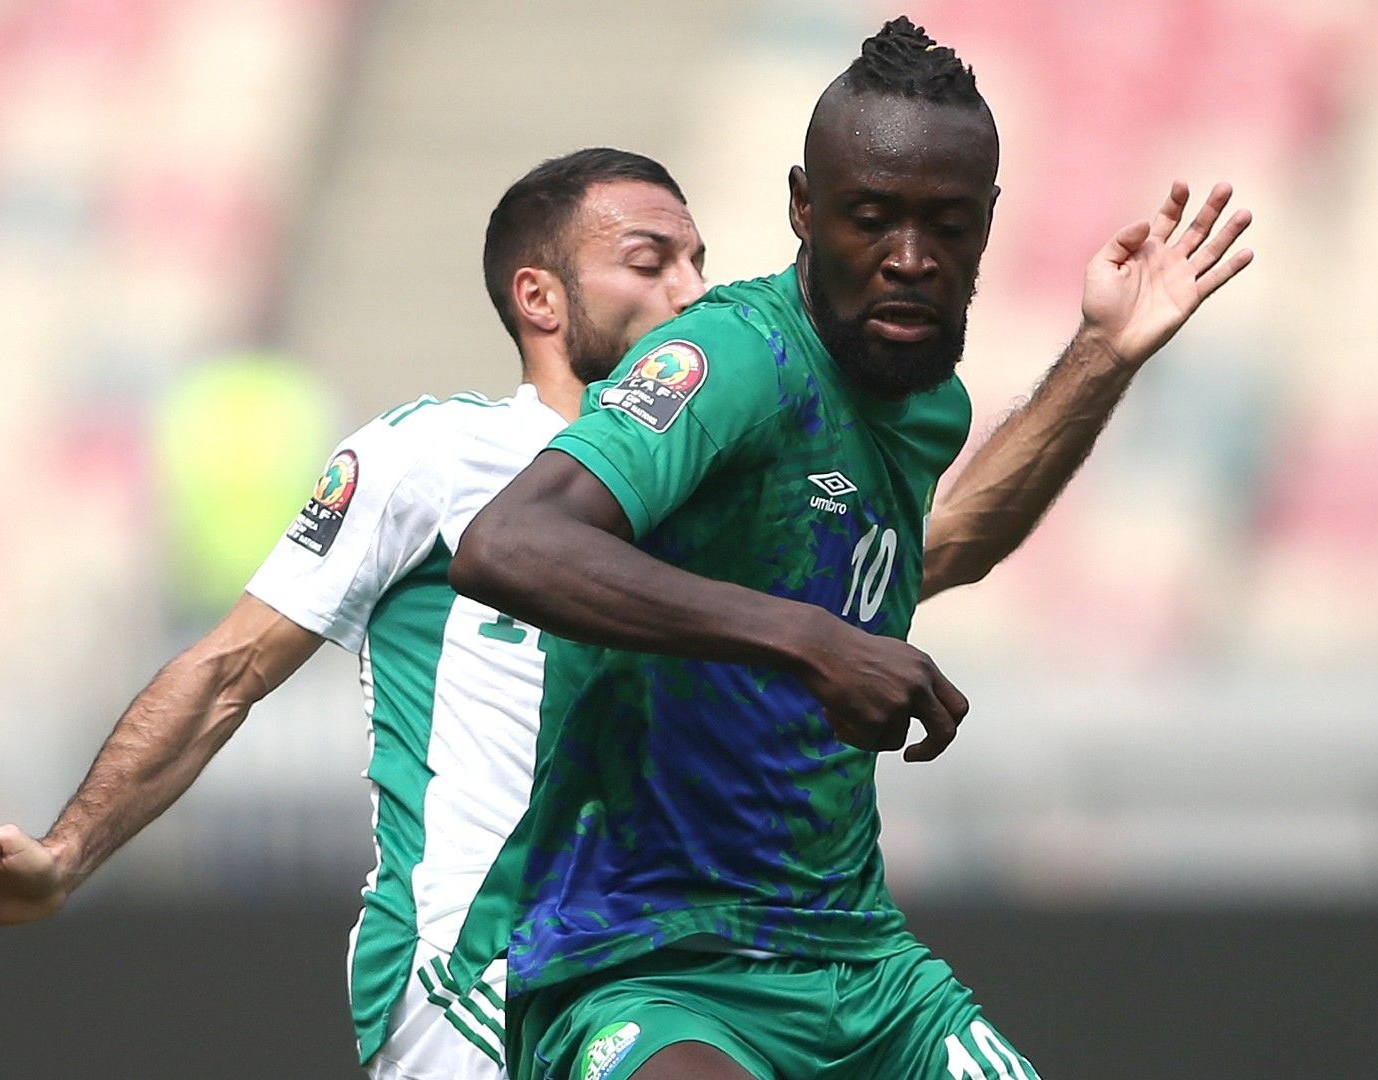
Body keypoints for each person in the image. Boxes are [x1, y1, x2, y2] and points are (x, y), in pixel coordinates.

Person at [0, 126, 1174, 1074]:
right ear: (539, 297)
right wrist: (68, 853)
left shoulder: (730, 457)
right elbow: (226, 671)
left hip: (682, 952)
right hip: (479, 958)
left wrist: (1100, 356)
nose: (689, 290)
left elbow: (931, 550)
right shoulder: (430, 458)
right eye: (648, 261)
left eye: (699, 259)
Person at [444, 18, 1253, 1080]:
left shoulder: (922, 403)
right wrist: (813, 642)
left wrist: (1103, 354)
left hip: (862, 969)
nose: (910, 260)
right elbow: (508, 542)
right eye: (871, 220)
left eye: (947, 226)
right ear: (803, 208)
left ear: (989, 221)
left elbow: (943, 549)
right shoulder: (731, 359)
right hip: (648, 958)